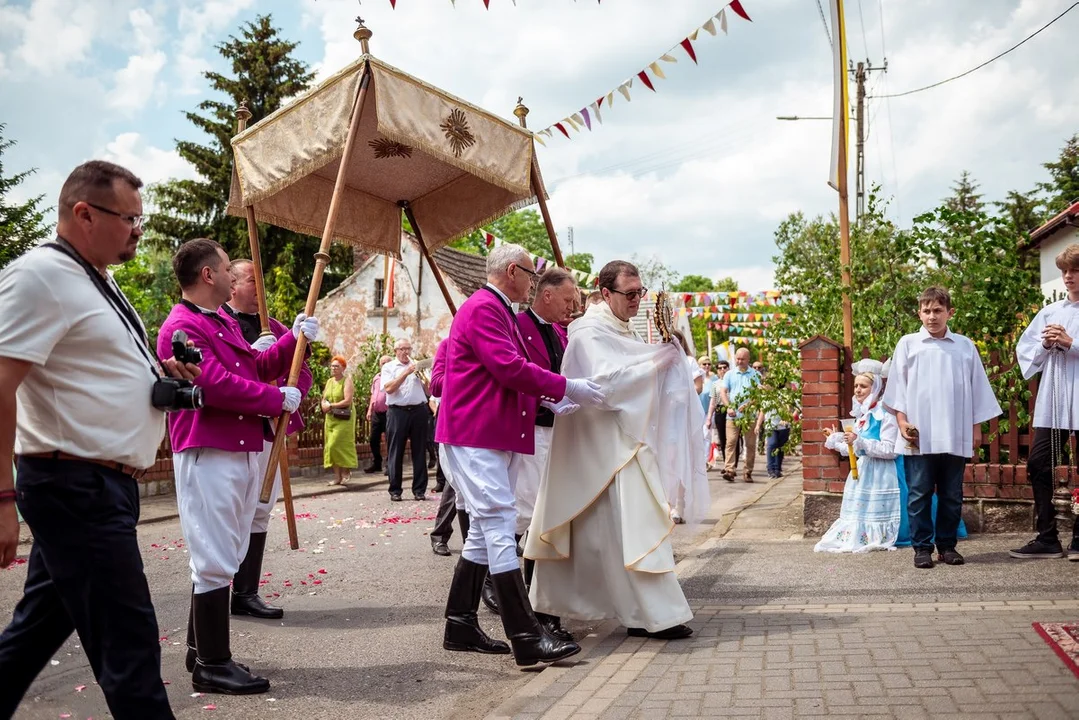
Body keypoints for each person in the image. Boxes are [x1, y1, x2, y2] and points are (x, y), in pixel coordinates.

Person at [0, 160, 193, 719]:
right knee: (129, 650)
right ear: (84, 213)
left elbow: (86, 368)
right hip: (75, 486)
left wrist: (156, 374)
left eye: (141, 217)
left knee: (32, 637)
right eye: (129, 218)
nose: (139, 230)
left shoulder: (92, 277)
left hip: (96, 486)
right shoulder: (40, 275)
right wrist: (3, 499)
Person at [158, 237, 318, 694]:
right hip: (211, 447)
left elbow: (254, 365)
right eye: (228, 269)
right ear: (208, 275)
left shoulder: (220, 321)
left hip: (238, 444)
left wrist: (294, 338)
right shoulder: (181, 326)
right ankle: (212, 663)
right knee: (212, 556)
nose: (233, 276)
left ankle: (199, 648)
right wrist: (275, 397)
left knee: (223, 551)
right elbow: (214, 383)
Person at [437, 243, 604, 667]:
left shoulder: (496, 309)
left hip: (491, 430)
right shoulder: (483, 308)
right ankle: (526, 637)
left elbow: (503, 373)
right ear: (513, 271)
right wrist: (567, 387)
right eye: (531, 274)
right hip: (476, 432)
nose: (534, 282)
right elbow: (508, 367)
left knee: (483, 531)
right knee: (497, 523)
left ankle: (459, 623)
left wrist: (547, 401)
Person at [527, 260, 707, 642]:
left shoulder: (621, 329)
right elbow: (607, 385)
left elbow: (633, 377)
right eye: (629, 294)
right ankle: (554, 610)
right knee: (588, 532)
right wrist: (657, 362)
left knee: (629, 529)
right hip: (593, 447)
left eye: (640, 293)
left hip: (622, 443)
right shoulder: (588, 333)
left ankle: (647, 613)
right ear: (605, 293)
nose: (636, 301)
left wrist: (661, 359)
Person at [477, 267, 577, 628]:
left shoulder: (564, 332)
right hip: (531, 426)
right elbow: (516, 372)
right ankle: (494, 579)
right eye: (567, 300)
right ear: (546, 295)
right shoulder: (517, 325)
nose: (571, 307)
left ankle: (540, 591)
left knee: (546, 512)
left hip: (558, 427)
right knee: (526, 510)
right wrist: (547, 399)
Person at [883, 286, 1001, 569]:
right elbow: (897, 388)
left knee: (951, 493)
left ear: (950, 312)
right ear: (919, 313)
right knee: (919, 492)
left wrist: (975, 429)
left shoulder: (964, 346)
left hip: (954, 431)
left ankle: (947, 546)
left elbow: (977, 390)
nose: (932, 316)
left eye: (938, 311)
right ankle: (922, 547)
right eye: (926, 311)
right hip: (919, 434)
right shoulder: (908, 344)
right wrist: (901, 422)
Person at [222, 258, 314, 620]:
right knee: (233, 513)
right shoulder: (221, 324)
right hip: (235, 430)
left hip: (269, 430)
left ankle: (246, 592)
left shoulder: (273, 326)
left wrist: (293, 395)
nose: (260, 291)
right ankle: (217, 587)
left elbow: (300, 370)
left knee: (260, 510)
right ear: (232, 285)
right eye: (252, 281)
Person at [1012, 243, 1079, 559]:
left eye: (1075, 270)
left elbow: (1071, 347)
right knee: (1038, 464)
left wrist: (1071, 343)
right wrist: (1045, 344)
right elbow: (1027, 354)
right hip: (1053, 404)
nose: (1068, 277)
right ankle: (1047, 537)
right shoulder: (1050, 313)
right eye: (1065, 271)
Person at [814, 361, 905, 552]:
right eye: (855, 385)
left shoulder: (885, 414)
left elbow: (891, 450)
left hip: (884, 473)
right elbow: (856, 449)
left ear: (876, 387)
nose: (857, 390)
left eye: (863, 386)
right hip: (865, 471)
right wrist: (835, 439)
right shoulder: (863, 415)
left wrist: (859, 441)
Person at [382, 338, 430, 501]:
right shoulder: (389, 367)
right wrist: (405, 373)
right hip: (397, 412)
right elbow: (389, 389)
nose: (406, 352)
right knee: (395, 451)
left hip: (418, 410)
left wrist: (423, 377)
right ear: (395, 351)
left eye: (408, 349)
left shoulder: (416, 364)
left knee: (420, 451)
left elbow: (429, 389)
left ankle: (419, 490)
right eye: (402, 349)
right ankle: (395, 490)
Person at [715, 347, 761, 482]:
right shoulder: (730, 374)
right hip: (733, 415)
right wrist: (728, 407)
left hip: (749, 415)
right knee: (731, 442)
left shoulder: (755, 375)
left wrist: (748, 405)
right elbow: (723, 392)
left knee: (750, 445)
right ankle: (729, 470)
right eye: (737, 359)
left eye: (742, 359)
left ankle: (748, 471)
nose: (739, 361)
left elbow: (758, 394)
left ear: (748, 359)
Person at [322, 356, 358, 486]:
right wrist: (323, 405)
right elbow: (324, 397)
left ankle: (346, 470)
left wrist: (331, 406)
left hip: (344, 417)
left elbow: (347, 400)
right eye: (332, 366)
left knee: (339, 443)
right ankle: (337, 477)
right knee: (331, 446)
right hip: (331, 418)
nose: (333, 368)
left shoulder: (346, 381)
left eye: (336, 366)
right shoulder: (329, 382)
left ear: (343, 368)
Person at [364, 356, 391, 474]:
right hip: (377, 413)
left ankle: (390, 465)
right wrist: (370, 410)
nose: (384, 364)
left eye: (386, 362)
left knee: (389, 440)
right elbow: (373, 395)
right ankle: (377, 463)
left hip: (389, 412)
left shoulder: (393, 377)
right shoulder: (376, 377)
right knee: (373, 439)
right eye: (382, 363)